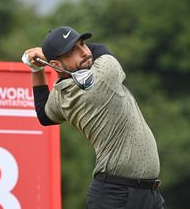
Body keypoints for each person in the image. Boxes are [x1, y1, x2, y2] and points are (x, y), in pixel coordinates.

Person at [21, 26, 165, 209]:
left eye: (82, 44)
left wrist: (35, 69)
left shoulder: (61, 95)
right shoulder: (104, 75)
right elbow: (101, 49)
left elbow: (44, 115)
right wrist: (43, 55)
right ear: (55, 65)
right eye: (72, 51)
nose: (84, 52)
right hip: (117, 196)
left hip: (145, 195)